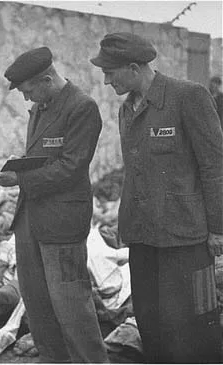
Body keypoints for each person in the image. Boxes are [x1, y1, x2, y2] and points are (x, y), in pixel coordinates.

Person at [90, 32, 223, 363]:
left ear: (134, 68)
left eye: (110, 73)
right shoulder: (127, 110)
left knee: (191, 328)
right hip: (143, 238)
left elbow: (214, 166)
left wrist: (218, 228)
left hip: (185, 238)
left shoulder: (188, 97)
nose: (106, 81)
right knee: (151, 324)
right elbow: (135, 172)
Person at [0, 47, 108, 362]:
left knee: (72, 308)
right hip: (31, 218)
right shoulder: (42, 106)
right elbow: (44, 157)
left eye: (28, 91)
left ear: (46, 79)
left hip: (61, 222)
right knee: (38, 305)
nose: (26, 99)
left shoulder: (82, 107)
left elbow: (72, 167)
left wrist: (21, 180)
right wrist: (17, 170)